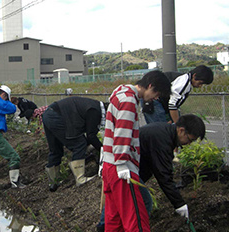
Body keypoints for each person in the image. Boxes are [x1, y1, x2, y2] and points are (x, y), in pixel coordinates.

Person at [96, 114, 206, 231]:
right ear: (181, 130)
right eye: (190, 139)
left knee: (116, 201)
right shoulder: (162, 139)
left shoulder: (165, 133)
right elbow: (163, 175)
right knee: (143, 201)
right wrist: (179, 204)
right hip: (123, 168)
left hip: (119, 166)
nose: (189, 143)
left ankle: (103, 227)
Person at [101, 70, 171, 231]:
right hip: (121, 168)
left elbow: (111, 132)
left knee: (114, 219)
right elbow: (122, 133)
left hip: (110, 165)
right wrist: (122, 163)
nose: (155, 98)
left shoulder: (121, 94)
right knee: (136, 219)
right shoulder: (129, 101)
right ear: (150, 86)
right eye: (156, 93)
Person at [42, 97, 106, 191]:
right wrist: (103, 150)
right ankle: (80, 178)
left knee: (56, 149)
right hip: (57, 116)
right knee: (79, 144)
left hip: (48, 114)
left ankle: (53, 182)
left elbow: (89, 134)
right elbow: (91, 136)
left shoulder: (93, 105)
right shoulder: (95, 110)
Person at [143, 65, 213, 124]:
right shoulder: (184, 82)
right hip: (154, 101)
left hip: (157, 102)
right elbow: (172, 105)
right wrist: (178, 124)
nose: (200, 86)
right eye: (200, 83)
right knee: (161, 133)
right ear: (194, 76)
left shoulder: (184, 79)